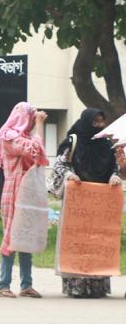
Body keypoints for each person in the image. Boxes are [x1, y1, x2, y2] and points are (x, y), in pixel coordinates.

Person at [48, 108, 120, 298]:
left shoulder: (106, 145)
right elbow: (60, 164)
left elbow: (116, 167)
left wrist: (114, 176)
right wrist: (69, 174)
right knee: (78, 242)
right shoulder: (74, 141)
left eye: (100, 122)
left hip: (100, 203)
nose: (98, 125)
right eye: (95, 122)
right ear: (87, 122)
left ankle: (98, 287)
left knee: (98, 241)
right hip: (77, 201)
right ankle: (76, 286)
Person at [0, 102, 48, 299]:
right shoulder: (9, 137)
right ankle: (4, 284)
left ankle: (26, 284)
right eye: (31, 117)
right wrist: (41, 125)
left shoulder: (23, 137)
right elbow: (36, 150)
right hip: (15, 189)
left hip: (28, 189)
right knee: (11, 234)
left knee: (26, 234)